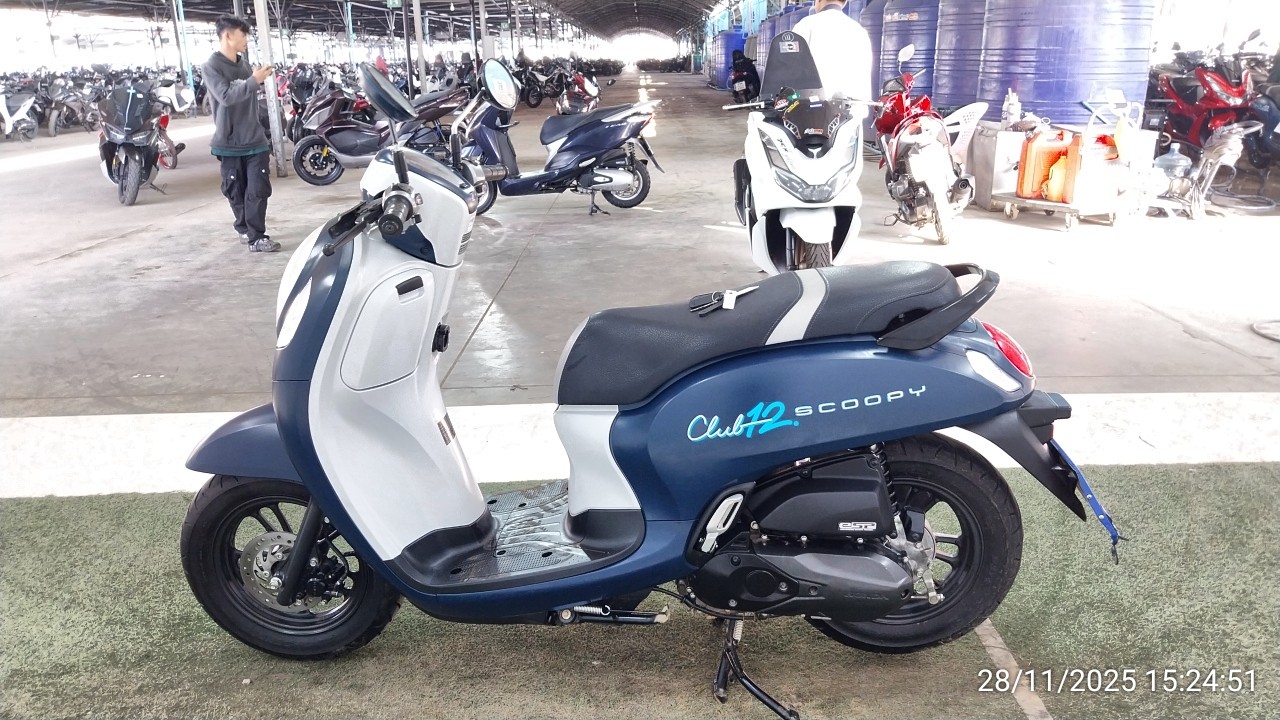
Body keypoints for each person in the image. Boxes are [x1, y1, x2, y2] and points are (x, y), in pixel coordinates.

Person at [203, 15, 280, 253]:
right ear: (228, 35)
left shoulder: (243, 64)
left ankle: (257, 237)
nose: (246, 39)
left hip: (255, 140)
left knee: (257, 190)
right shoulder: (211, 66)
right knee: (235, 191)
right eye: (242, 34)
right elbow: (225, 97)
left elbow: (246, 93)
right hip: (229, 142)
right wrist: (253, 80)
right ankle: (244, 228)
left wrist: (253, 78)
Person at [791, 0, 873, 110]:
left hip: (814, 113)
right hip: (853, 112)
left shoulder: (805, 26)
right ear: (845, 2)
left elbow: (791, 70)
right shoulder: (860, 31)